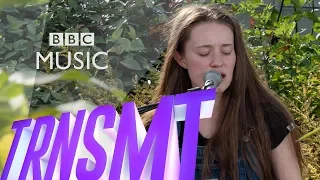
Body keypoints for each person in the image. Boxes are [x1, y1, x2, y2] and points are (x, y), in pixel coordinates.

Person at [141, 4, 303, 180]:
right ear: (181, 58)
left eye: (226, 51)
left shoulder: (268, 117)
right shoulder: (157, 124)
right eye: (204, 53)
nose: (217, 62)